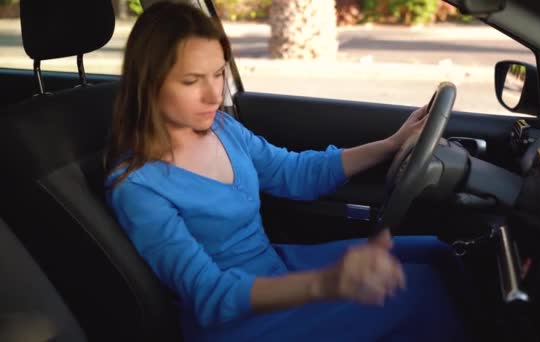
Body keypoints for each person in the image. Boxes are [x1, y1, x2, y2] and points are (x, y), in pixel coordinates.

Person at [105, 2, 471, 341]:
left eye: (218, 74)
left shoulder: (221, 128)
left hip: (276, 264)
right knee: (420, 288)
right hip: (238, 319)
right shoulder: (137, 186)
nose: (213, 94)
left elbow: (293, 173)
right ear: (150, 85)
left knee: (435, 252)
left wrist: (391, 144)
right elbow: (211, 296)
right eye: (191, 81)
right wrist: (327, 283)